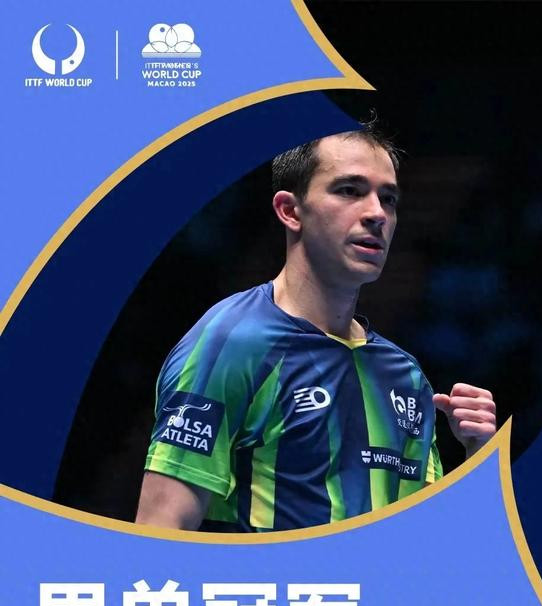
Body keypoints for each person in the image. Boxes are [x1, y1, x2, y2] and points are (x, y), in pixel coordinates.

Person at [136, 123, 496, 531]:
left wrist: (477, 459)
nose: (377, 214)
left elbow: (422, 542)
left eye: (388, 198)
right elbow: (160, 530)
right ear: (290, 211)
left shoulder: (405, 377)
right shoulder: (232, 344)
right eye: (349, 190)